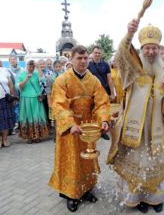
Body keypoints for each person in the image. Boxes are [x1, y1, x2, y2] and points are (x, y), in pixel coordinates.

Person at [107, 19, 164, 213]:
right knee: (137, 160)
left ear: (159, 50)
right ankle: (136, 198)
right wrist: (129, 34)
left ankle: (154, 199)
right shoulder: (133, 69)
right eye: (147, 48)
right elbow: (121, 55)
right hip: (135, 126)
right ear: (141, 49)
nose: (150, 52)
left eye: (154, 48)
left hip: (157, 127)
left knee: (154, 161)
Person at [48, 45, 110, 212]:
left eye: (85, 58)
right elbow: (59, 105)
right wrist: (70, 124)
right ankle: (71, 194)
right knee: (71, 162)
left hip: (88, 129)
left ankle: (86, 189)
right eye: (79, 58)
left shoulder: (94, 80)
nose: (83, 61)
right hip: (70, 130)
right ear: (72, 59)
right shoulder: (62, 80)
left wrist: (104, 120)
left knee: (87, 161)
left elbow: (102, 103)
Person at [17, 60, 49, 143]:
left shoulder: (36, 73)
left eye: (32, 66)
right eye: (29, 66)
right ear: (26, 65)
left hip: (36, 98)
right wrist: (26, 78)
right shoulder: (21, 74)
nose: (31, 68)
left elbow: (43, 79)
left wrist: (38, 67)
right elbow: (19, 87)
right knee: (27, 117)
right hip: (26, 99)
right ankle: (29, 137)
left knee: (37, 116)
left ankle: (38, 136)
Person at [88, 46, 115, 140]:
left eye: (99, 53)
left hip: (105, 91)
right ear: (92, 53)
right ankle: (95, 129)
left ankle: (103, 130)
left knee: (104, 110)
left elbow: (110, 79)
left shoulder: (106, 65)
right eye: (95, 52)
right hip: (93, 93)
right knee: (94, 111)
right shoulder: (88, 66)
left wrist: (112, 93)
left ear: (101, 54)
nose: (97, 54)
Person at [0, 54, 15, 149]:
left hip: (4, 100)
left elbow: (11, 85)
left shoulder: (4, 71)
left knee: (5, 121)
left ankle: (5, 138)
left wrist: (12, 97)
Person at [45, 60, 63, 138]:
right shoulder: (50, 77)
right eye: (56, 67)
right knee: (55, 118)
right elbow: (48, 91)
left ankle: (63, 133)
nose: (58, 68)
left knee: (63, 116)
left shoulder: (65, 76)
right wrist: (49, 103)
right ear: (53, 67)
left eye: (59, 66)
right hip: (54, 99)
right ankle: (57, 135)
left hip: (63, 99)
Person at [8, 55, 24, 131]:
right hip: (13, 92)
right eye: (11, 59)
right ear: (9, 61)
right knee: (15, 108)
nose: (13, 60)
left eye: (14, 59)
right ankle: (17, 123)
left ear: (17, 60)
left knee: (22, 108)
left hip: (22, 92)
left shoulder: (22, 70)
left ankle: (22, 123)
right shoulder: (7, 71)